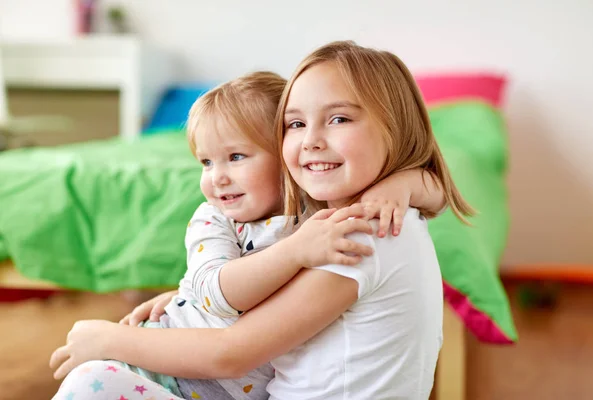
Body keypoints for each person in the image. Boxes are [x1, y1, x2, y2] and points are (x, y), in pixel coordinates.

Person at [51, 64, 448, 400]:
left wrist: (400, 185)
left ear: (283, 155)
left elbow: (437, 194)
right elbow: (216, 293)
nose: (217, 178)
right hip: (171, 369)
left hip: (230, 380)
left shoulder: (320, 212)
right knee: (92, 384)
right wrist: (291, 253)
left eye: (237, 157)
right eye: (206, 162)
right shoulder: (216, 220)